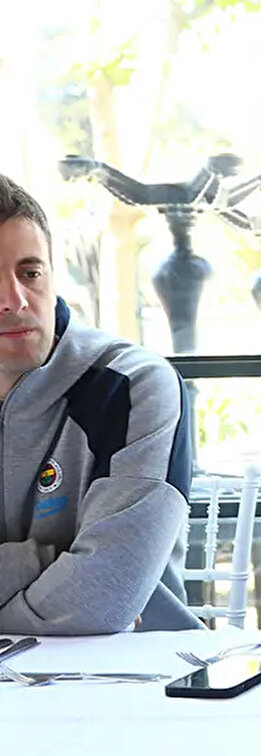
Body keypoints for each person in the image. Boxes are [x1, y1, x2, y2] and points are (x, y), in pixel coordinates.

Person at [0, 174, 199, 633]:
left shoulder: (131, 386)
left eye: (30, 273)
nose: (15, 300)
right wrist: (54, 558)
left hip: (132, 685)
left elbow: (102, 599)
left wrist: (85, 570)